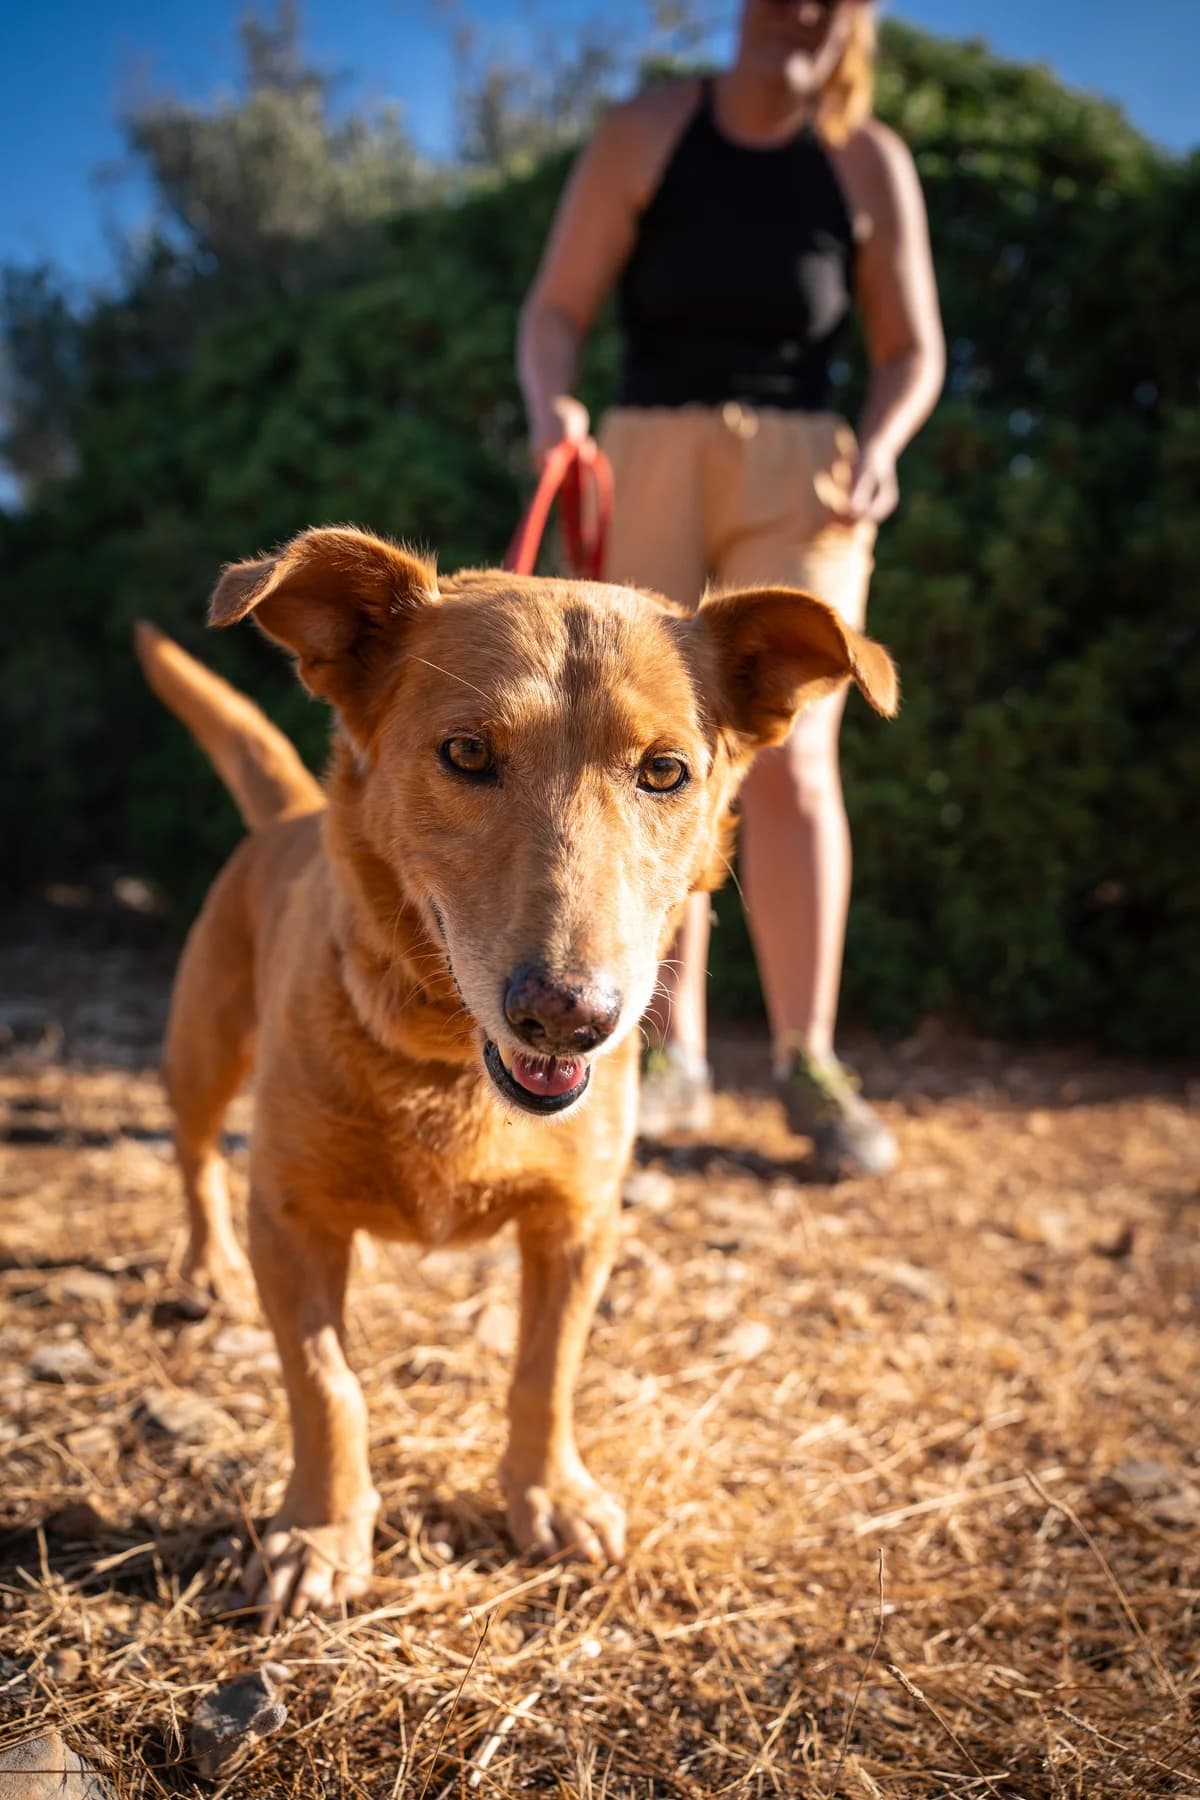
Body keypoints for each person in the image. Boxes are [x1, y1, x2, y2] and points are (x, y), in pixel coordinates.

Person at [517, 0, 944, 1176]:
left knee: (795, 754)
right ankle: (667, 1048)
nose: (794, 10)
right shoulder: (645, 130)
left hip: (805, 470)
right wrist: (553, 401)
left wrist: (889, 439)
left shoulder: (868, 160)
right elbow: (556, 310)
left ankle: (808, 1058)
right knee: (642, 742)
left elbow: (914, 346)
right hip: (647, 452)